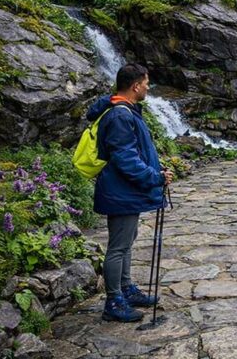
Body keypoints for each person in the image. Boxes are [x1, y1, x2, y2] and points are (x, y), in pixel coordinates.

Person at [85, 63, 173, 323]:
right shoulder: (121, 116)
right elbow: (125, 159)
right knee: (118, 246)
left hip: (125, 191)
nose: (148, 87)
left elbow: (133, 154)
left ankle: (125, 289)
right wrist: (154, 177)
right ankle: (113, 301)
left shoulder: (124, 111)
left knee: (126, 241)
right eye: (146, 83)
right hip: (120, 191)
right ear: (135, 85)